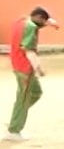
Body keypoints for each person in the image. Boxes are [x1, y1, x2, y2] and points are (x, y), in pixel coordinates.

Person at [5, 7, 57, 141]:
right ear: (39, 18)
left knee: (36, 93)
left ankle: (15, 119)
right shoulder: (31, 27)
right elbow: (29, 51)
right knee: (24, 99)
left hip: (16, 64)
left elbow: (34, 24)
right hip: (24, 68)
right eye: (43, 21)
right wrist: (39, 69)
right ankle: (14, 130)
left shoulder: (21, 21)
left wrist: (49, 22)